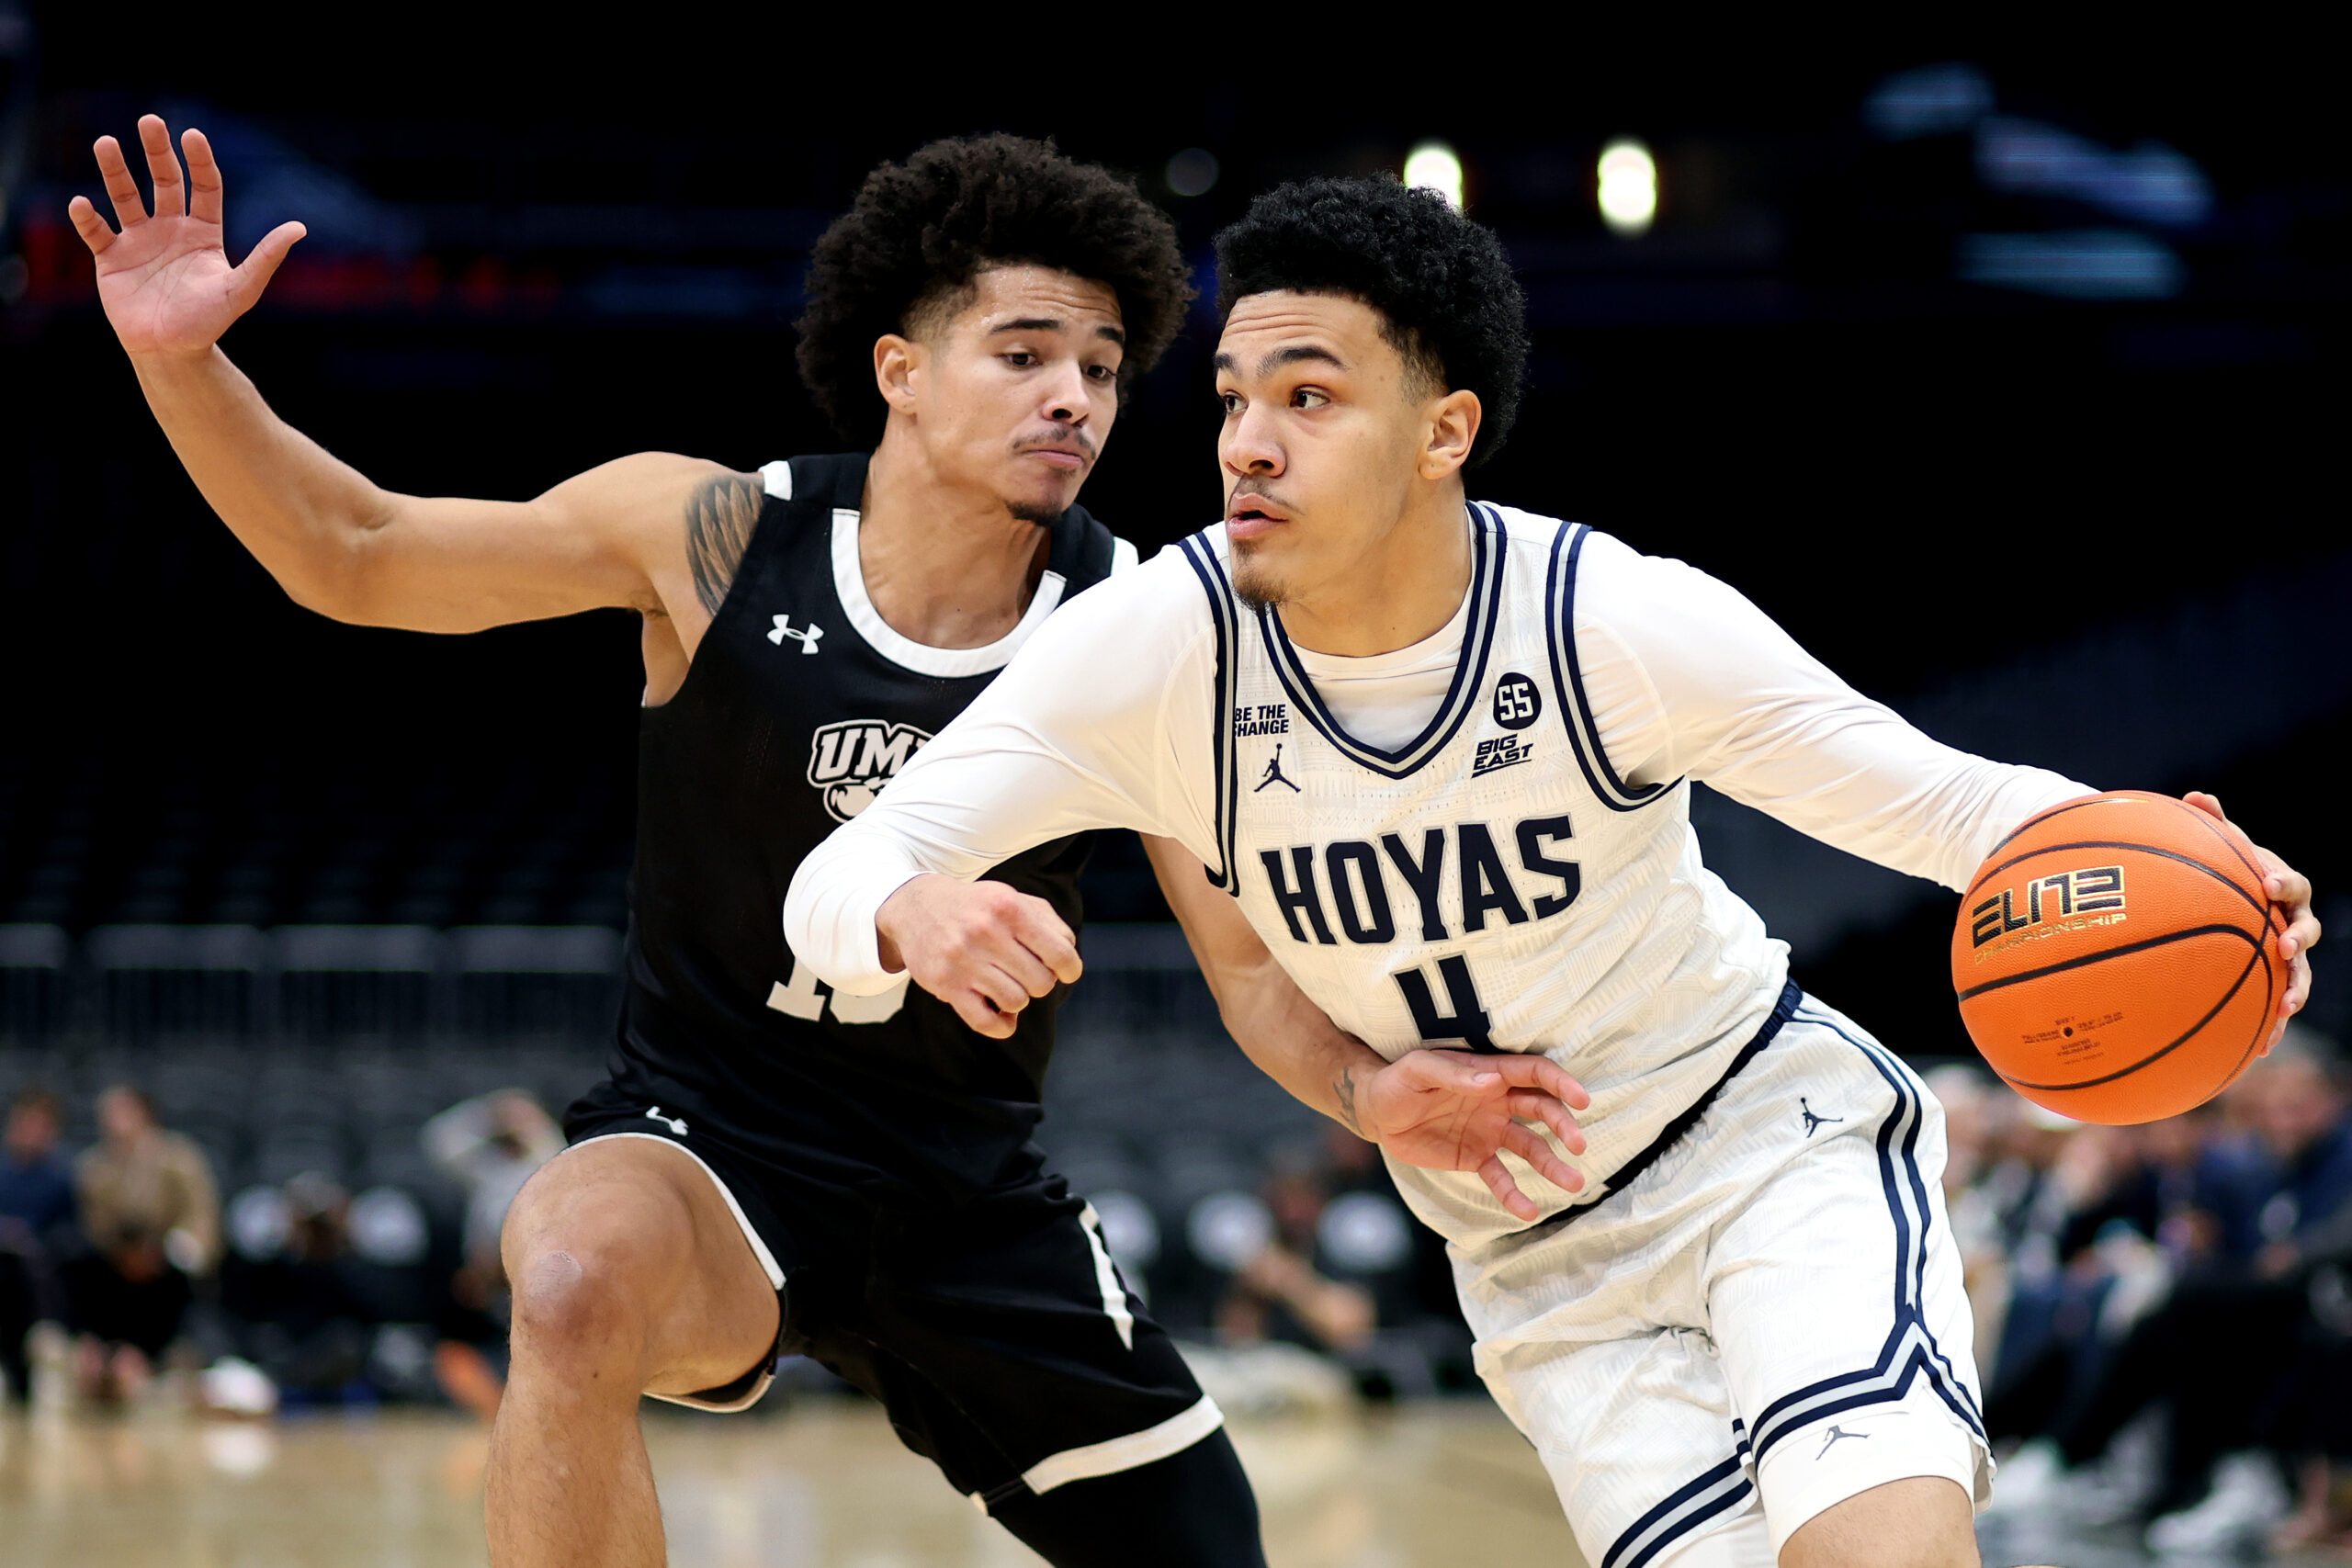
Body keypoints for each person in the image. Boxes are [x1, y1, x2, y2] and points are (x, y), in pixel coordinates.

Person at [69, 121, 1581, 1568]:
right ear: (899, 371)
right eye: (1025, 354)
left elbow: (1244, 964)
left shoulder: (1138, 628)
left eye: (1104, 366)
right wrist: (181, 363)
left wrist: (1370, 1088)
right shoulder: (717, 537)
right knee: (574, 1269)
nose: (1074, 396)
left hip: (965, 1195)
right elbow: (359, 554)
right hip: (703, 1148)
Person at [785, 175, 2324, 1568]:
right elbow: (846, 870)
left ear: (1442, 430)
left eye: (1311, 396)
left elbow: (1948, 804)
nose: (1247, 439)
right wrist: (906, 904)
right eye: (1238, 395)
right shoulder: (1152, 652)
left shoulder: (1612, 622)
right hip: (1537, 1258)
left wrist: (2196, 865)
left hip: (1761, 1148)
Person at [65, 1085, 220, 1404]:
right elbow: (96, 1226)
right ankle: (101, 1359)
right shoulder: (95, 1167)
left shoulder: (179, 1160)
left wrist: (169, 1251)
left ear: (144, 1114)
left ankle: (163, 1362)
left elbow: (200, 1218)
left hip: (167, 1270)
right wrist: (121, 1252)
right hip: (116, 1267)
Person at [1, 1087, 76, 1404]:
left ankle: (46, 1348)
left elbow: (71, 1232)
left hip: (40, 1272)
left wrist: (32, 1240)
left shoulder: (61, 1178)